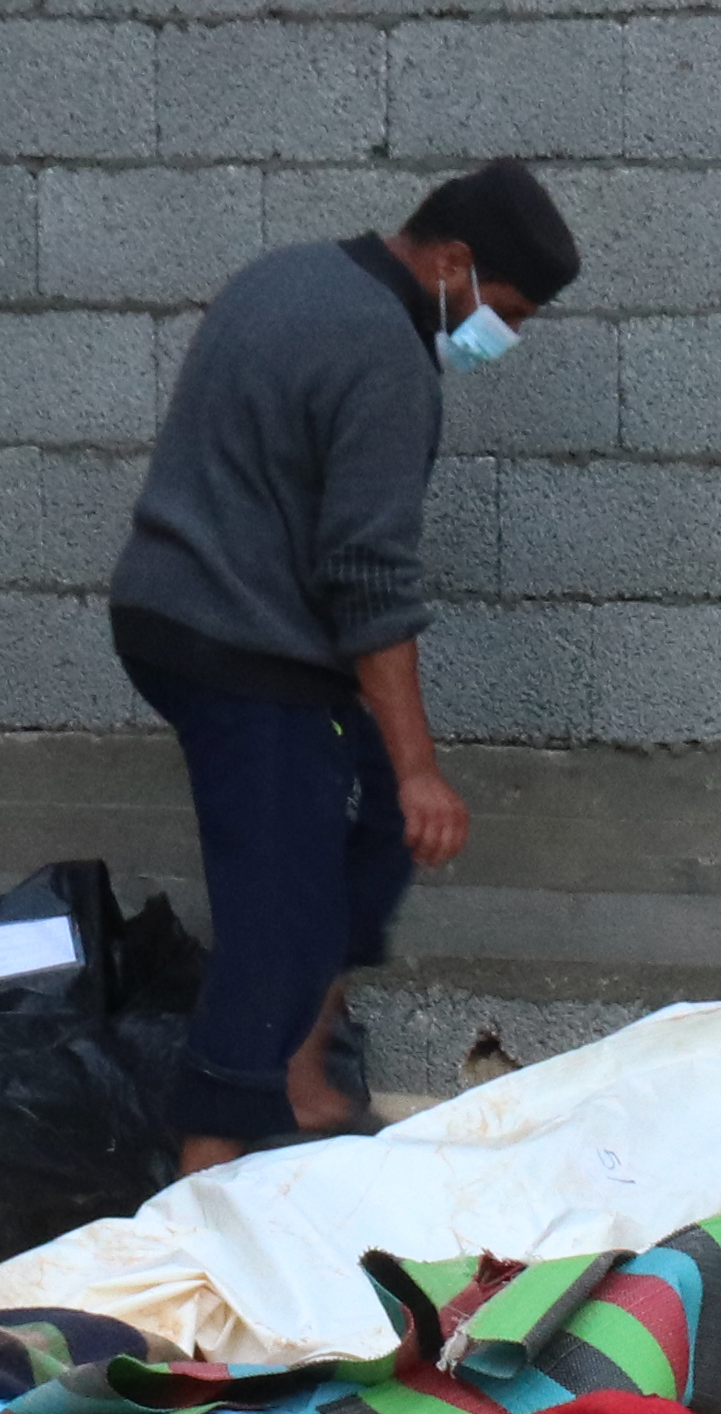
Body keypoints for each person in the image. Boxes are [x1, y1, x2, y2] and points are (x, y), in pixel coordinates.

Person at [107, 163, 581, 1174]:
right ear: (453, 263)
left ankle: (307, 1080)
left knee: (366, 834)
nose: (506, 336)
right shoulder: (385, 355)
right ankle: (205, 1175)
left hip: (185, 610)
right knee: (280, 913)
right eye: (505, 310)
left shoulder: (288, 277)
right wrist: (417, 766)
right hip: (240, 644)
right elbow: (368, 580)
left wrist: (390, 776)